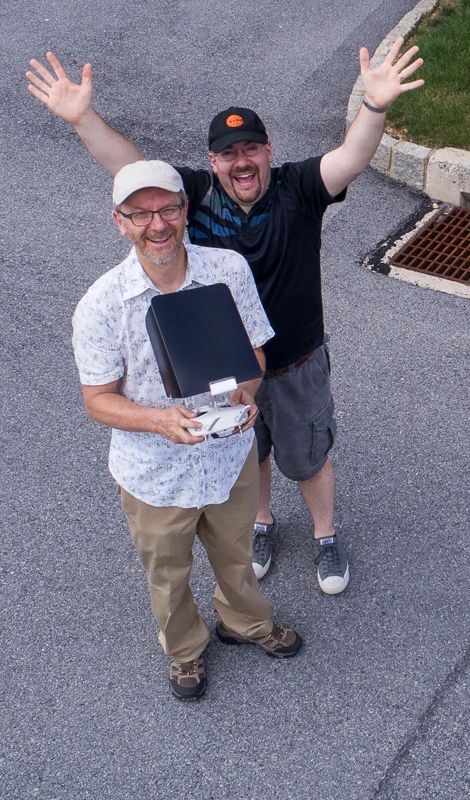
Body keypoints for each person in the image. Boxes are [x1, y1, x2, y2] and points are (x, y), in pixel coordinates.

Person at [28, 38, 424, 593]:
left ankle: (326, 536)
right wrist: (82, 117)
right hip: (226, 371)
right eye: (229, 154)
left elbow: (351, 158)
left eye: (251, 149)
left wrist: (375, 106)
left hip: (293, 360)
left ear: (267, 151)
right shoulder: (192, 195)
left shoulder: (299, 188)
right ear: (213, 162)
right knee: (249, 450)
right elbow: (133, 170)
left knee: (307, 457)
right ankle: (262, 523)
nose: (242, 162)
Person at [71, 159, 302, 700]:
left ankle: (244, 622)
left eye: (169, 209)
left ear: (185, 211)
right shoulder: (101, 305)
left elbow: (255, 352)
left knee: (236, 552)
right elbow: (97, 401)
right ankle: (184, 651)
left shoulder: (228, 270)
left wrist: (248, 389)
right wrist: (158, 421)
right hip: (154, 472)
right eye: (141, 214)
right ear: (119, 222)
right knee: (168, 575)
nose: (158, 224)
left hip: (227, 454)